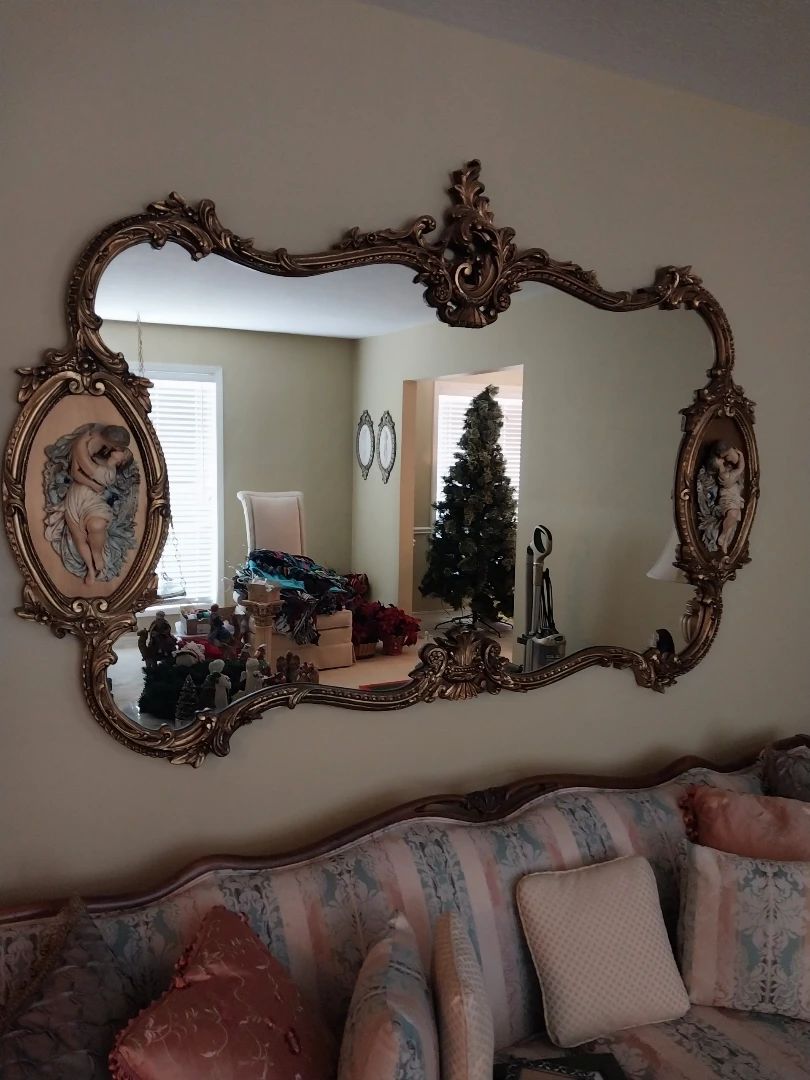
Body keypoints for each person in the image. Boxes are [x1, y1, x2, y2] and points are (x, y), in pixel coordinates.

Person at [63, 425, 133, 584]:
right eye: (120, 448)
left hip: (93, 500)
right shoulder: (99, 457)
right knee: (79, 538)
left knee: (97, 524)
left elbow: (88, 469)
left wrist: (82, 443)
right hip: (76, 497)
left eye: (123, 453)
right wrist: (93, 485)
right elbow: (75, 472)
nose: (121, 451)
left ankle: (97, 553)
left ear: (121, 461)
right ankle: (90, 569)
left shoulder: (109, 472)